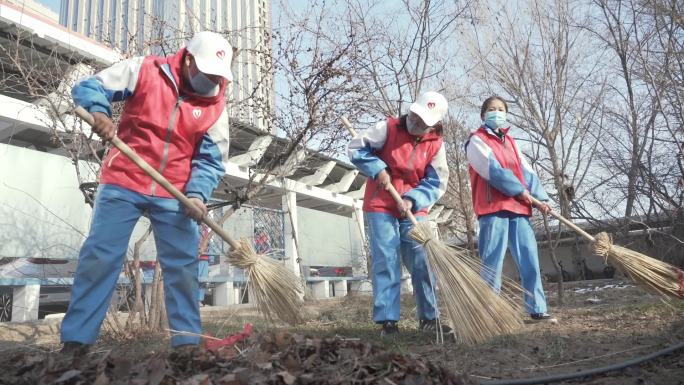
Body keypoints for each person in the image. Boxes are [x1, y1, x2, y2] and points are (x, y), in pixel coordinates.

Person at [60, 31, 232, 353]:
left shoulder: (216, 107)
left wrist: (197, 195)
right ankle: (76, 342)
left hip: (175, 192)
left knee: (182, 267)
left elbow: (211, 160)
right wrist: (100, 113)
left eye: (217, 77)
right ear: (189, 60)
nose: (212, 82)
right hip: (124, 177)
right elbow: (89, 86)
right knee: (100, 256)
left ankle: (187, 346)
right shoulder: (146, 70)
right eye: (207, 74)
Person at [348, 91, 450, 336]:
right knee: (386, 259)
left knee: (422, 261)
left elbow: (437, 182)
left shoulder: (436, 146)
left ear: (433, 125)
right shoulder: (388, 128)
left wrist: (413, 199)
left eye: (423, 121)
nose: (415, 122)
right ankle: (388, 321)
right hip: (380, 204)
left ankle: (429, 317)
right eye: (414, 115)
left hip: (414, 208)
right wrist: (377, 168)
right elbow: (355, 148)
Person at [464, 96, 554, 322]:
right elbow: (492, 170)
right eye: (492, 109)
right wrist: (518, 190)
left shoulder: (511, 142)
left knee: (530, 259)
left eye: (501, 109)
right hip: (493, 208)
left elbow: (527, 172)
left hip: (520, 209)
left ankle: (537, 308)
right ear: (483, 115)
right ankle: (489, 314)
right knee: (492, 262)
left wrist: (540, 198)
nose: (497, 113)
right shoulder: (476, 140)